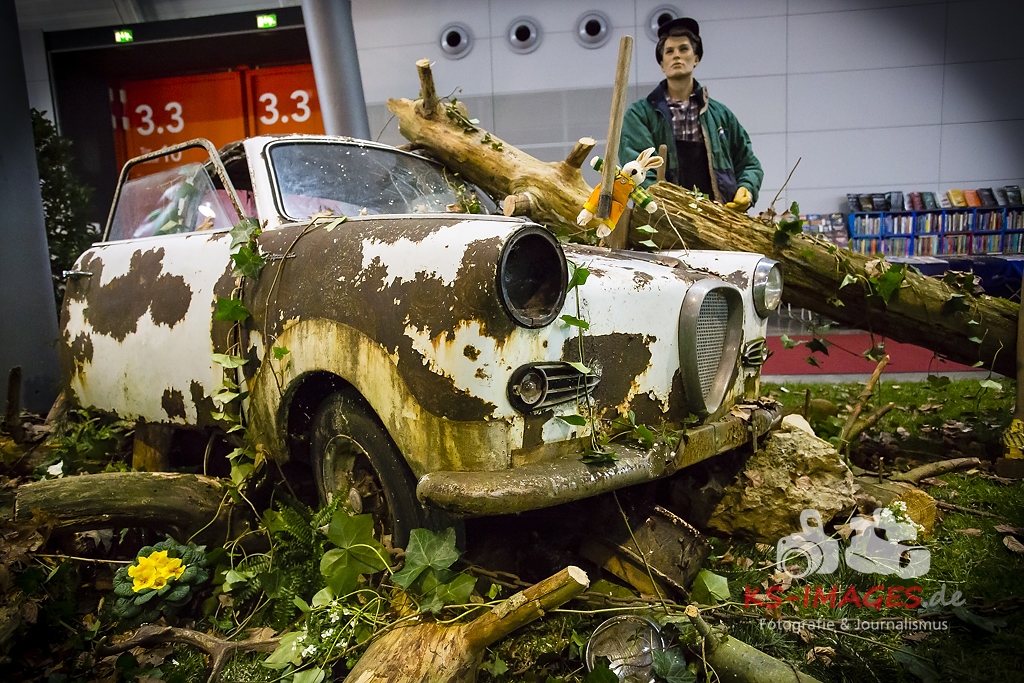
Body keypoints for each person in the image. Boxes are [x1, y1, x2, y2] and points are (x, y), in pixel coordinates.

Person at [619, 17, 763, 211]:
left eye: (683, 49)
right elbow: (636, 169)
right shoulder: (640, 115)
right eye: (669, 51)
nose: (676, 56)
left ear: (696, 58)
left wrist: (747, 188)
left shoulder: (721, 116)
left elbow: (749, 164)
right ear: (662, 64)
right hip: (664, 219)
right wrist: (661, 207)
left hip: (718, 218)